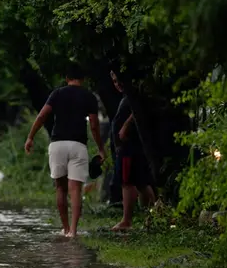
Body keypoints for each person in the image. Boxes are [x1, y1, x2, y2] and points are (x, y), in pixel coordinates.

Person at [25, 64, 106, 238]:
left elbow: (42, 116)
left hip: (58, 144)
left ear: (67, 78)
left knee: (60, 188)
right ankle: (74, 232)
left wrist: (30, 137)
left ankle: (66, 228)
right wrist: (100, 148)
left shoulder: (57, 93)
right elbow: (93, 125)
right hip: (78, 145)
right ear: (82, 78)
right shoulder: (89, 96)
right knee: (75, 189)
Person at [108, 71, 157, 231]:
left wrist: (126, 126)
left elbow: (138, 111)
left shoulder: (135, 96)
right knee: (141, 183)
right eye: (114, 82)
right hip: (129, 147)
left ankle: (127, 220)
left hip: (129, 147)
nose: (117, 84)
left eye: (119, 80)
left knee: (127, 182)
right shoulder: (127, 98)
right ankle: (152, 218)